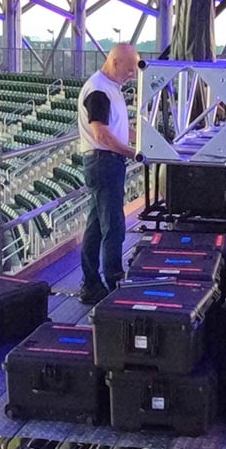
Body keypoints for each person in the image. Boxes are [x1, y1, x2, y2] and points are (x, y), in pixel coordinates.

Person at [77, 43, 140, 304]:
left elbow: (120, 129)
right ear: (114, 62)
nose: (132, 75)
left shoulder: (110, 88)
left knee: (95, 227)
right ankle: (114, 282)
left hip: (105, 163)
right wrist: (131, 153)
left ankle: (91, 284)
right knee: (113, 226)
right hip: (104, 163)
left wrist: (146, 142)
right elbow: (101, 133)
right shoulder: (99, 90)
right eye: (128, 69)